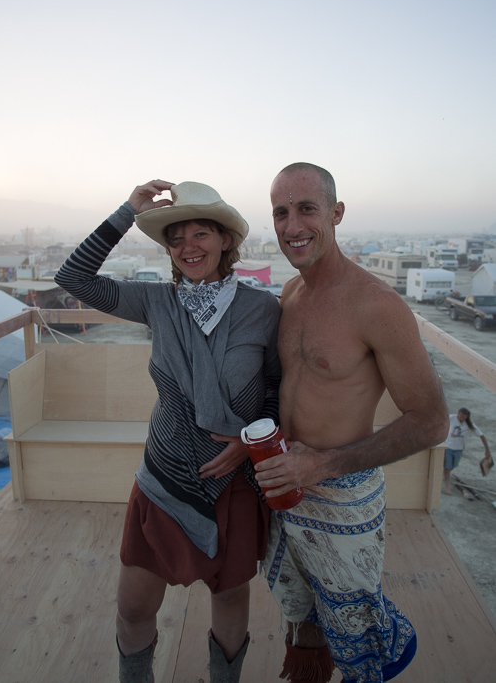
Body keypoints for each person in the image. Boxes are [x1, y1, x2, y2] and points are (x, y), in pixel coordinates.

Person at [54, 180, 281, 683]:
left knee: (228, 599)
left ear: (226, 240)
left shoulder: (263, 309)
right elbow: (72, 276)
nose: (188, 247)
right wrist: (127, 211)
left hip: (233, 482)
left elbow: (274, 391)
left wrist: (248, 447)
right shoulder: (156, 302)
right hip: (163, 476)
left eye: (201, 233)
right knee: (134, 608)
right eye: (176, 239)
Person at [254, 163, 449, 683]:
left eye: (307, 209)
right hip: (284, 484)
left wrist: (324, 464)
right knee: (303, 618)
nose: (292, 225)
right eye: (280, 212)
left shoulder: (376, 305)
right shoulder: (291, 296)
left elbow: (432, 422)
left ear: (336, 214)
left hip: (341, 492)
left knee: (359, 631)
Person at [443, 407, 492, 494]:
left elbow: (481, 436)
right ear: (458, 413)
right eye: (460, 415)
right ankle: (447, 485)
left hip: (459, 449)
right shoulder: (451, 418)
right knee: (447, 467)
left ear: (466, 417)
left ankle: (445, 475)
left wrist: (487, 450)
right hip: (448, 447)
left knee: (453, 466)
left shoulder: (469, 425)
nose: (461, 417)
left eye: (464, 416)